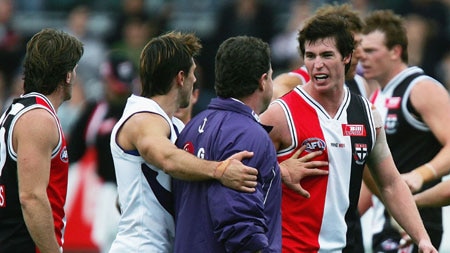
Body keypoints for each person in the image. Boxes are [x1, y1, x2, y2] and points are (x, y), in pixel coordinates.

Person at [259, 13, 437, 253]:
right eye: (310, 56)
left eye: (327, 55)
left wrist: (423, 238)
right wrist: (277, 169)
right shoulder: (281, 113)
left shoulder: (366, 113)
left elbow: (391, 183)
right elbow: (240, 168)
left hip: (347, 245)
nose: (317, 64)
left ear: (347, 57)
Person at [108, 31, 259, 253]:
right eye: (192, 73)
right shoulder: (142, 117)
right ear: (180, 77)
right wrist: (220, 170)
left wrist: (279, 170)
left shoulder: (174, 125)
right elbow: (166, 158)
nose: (195, 80)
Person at [172, 36, 280, 252]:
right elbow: (239, 225)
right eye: (271, 77)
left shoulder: (191, 128)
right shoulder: (251, 135)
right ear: (263, 80)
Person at [360, 9, 450, 252]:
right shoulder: (375, 97)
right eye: (360, 51)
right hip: (384, 223)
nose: (362, 58)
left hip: (419, 220)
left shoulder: (420, 88)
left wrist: (423, 174)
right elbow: (375, 175)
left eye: (370, 51)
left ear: (395, 51)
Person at [0, 28, 83, 252]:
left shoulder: (19, 109)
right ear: (67, 75)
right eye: (75, 69)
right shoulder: (38, 119)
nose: (76, 76)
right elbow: (31, 197)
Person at [67, 50, 137, 253]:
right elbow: (73, 153)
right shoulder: (96, 111)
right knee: (107, 242)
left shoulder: (139, 110)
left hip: (136, 189)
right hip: (107, 190)